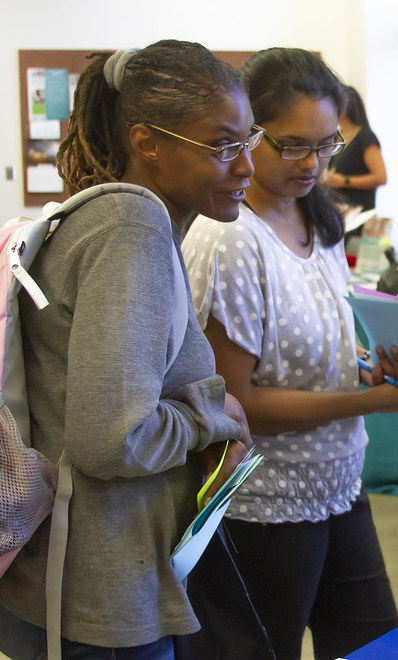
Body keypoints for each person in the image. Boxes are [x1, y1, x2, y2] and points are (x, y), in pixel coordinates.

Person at [180, 48, 398, 660]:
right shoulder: (230, 238)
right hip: (263, 501)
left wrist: (364, 367)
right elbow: (238, 405)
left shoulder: (316, 217)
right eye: (293, 146)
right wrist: (371, 401)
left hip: (338, 480)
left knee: (371, 641)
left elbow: (316, 340)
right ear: (250, 135)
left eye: (327, 145)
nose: (314, 163)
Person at [0, 41, 254, 659]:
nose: (246, 165)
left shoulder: (111, 221)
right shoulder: (129, 226)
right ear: (148, 143)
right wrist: (211, 417)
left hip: (79, 580)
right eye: (223, 145)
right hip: (99, 596)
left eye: (250, 139)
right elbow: (113, 438)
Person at [322, 85, 387, 214]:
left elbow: (381, 177)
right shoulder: (336, 136)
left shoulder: (365, 137)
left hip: (359, 212)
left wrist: (344, 181)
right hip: (339, 210)